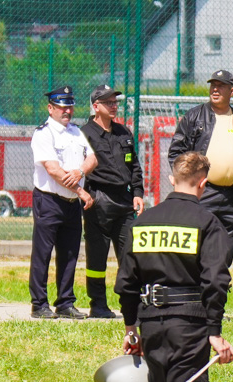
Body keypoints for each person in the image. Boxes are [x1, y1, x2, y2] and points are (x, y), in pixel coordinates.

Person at [116, 151, 233, 382]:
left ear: (171, 179)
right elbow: (215, 280)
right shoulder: (207, 222)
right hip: (189, 323)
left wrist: (131, 325)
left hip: (151, 323)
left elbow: (126, 282)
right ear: (203, 183)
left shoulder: (143, 222)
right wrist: (214, 331)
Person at [168, 70, 233, 267]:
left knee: (226, 248)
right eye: (213, 85)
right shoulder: (195, 116)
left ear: (232, 91)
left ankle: (218, 288)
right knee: (195, 246)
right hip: (202, 193)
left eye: (221, 86)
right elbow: (176, 151)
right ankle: (193, 289)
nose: (215, 89)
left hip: (231, 197)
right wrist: (184, 183)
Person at [29, 86, 97, 319]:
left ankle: (65, 302)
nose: (67, 110)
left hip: (70, 203)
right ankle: (39, 304)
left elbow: (93, 158)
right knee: (43, 253)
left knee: (69, 254)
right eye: (61, 106)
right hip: (49, 200)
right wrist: (81, 190)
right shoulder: (43, 133)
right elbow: (53, 169)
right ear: (51, 108)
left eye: (69, 106)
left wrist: (79, 172)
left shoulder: (76, 132)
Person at [79, 84, 145, 318]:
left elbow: (134, 165)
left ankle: (132, 304)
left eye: (115, 101)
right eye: (108, 102)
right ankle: (98, 305)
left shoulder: (123, 132)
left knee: (130, 254)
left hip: (124, 200)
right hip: (98, 198)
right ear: (96, 106)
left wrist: (137, 192)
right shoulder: (84, 133)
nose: (114, 105)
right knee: (97, 256)